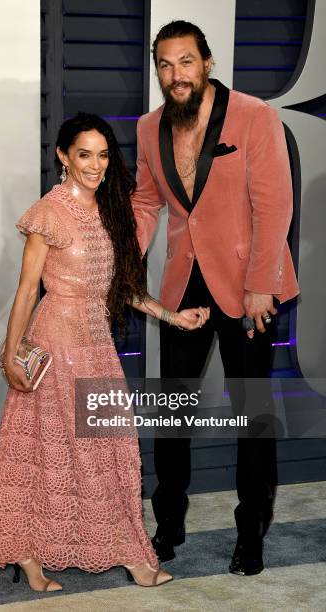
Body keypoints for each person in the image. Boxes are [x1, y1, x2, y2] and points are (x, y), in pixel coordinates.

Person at [0, 112, 210, 592]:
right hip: (55, 344)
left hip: (96, 346)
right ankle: (27, 554)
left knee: (113, 451)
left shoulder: (111, 209)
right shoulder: (48, 212)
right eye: (84, 154)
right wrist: (10, 357)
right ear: (63, 156)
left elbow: (120, 286)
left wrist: (173, 316)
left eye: (103, 155)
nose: (96, 165)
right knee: (42, 452)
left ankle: (129, 551)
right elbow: (26, 291)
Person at [132, 20, 299, 575]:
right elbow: (145, 199)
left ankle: (251, 533)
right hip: (184, 286)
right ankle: (168, 525)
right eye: (164, 64)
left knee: (252, 415)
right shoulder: (148, 127)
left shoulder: (254, 115)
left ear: (206, 63)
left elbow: (275, 207)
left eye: (185, 62)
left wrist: (260, 285)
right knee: (172, 411)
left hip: (250, 285)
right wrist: (119, 258)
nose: (175, 75)